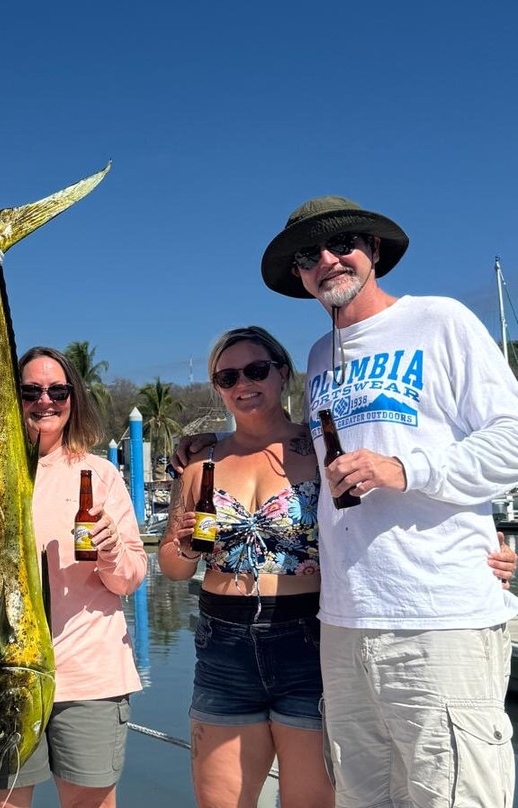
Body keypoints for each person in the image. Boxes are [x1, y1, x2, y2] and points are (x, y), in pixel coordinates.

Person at [262, 196, 518, 807]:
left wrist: (405, 469)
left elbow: (510, 439)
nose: (327, 260)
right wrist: (205, 444)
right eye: (308, 254)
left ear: (373, 251)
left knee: (452, 794)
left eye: (342, 243)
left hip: (439, 616)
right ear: (299, 274)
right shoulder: (321, 356)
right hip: (346, 622)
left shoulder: (441, 320)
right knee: (362, 797)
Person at [160, 326, 333, 808]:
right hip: (223, 645)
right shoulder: (202, 465)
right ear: (217, 387)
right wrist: (191, 547)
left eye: (256, 370)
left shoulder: (319, 450)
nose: (243, 383)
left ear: (282, 373)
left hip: (308, 641)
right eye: (227, 375)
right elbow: (172, 568)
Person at [0, 346, 148, 808]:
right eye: (30, 390)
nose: (44, 400)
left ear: (73, 398)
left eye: (57, 390)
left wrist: (109, 549)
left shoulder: (100, 474)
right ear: (14, 398)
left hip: (87, 672)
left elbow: (130, 578)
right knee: (0, 803)